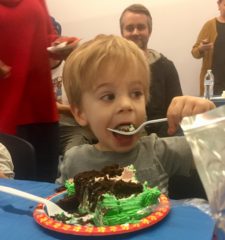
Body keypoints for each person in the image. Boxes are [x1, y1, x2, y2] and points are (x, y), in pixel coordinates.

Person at [57, 34, 215, 196]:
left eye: (136, 93)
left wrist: (208, 121)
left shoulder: (157, 151)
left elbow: (216, 153)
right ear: (80, 113)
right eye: (108, 96)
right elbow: (56, 201)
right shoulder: (74, 161)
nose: (126, 105)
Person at [0, 0, 77, 182]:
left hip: (43, 109)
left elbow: (47, 38)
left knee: (46, 183)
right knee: (13, 188)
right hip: (7, 111)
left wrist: (61, 45)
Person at [119, 4, 183, 137]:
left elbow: (176, 112)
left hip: (162, 143)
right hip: (124, 141)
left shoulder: (166, 67)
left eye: (141, 27)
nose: (135, 32)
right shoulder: (111, 69)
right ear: (122, 33)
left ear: (149, 31)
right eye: (130, 28)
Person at [50, 17, 97, 156]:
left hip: (74, 127)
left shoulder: (74, 67)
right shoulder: (33, 71)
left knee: (74, 154)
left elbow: (90, 110)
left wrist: (59, 108)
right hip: (46, 127)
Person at [191, 0, 225, 96]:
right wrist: (201, 49)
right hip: (214, 85)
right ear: (219, 5)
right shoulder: (210, 25)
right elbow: (194, 52)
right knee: (213, 110)